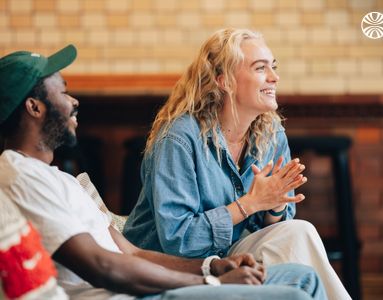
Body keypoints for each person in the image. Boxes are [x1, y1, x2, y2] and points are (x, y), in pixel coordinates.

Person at [0, 45, 328, 300]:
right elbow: (105, 266)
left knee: (305, 278)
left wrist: (213, 265)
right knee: (295, 294)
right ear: (34, 106)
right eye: (63, 91)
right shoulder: (20, 175)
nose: (74, 102)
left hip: (157, 277)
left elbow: (132, 252)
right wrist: (209, 281)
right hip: (129, 292)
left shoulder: (60, 179)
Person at [123, 28, 351, 300]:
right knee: (298, 235)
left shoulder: (271, 133)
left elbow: (275, 230)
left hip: (232, 256)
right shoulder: (179, 138)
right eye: (260, 68)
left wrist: (275, 205)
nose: (274, 77)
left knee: (297, 231)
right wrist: (251, 203)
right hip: (170, 267)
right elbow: (177, 241)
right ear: (224, 81)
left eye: (273, 67)